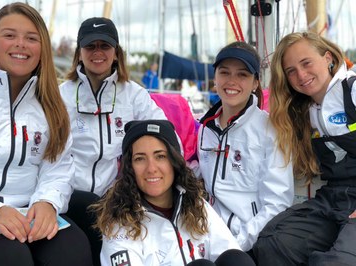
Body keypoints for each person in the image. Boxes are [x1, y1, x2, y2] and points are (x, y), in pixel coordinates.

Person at [0, 3, 91, 265]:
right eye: (9, 35)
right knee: (9, 259)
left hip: (28, 213)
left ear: (42, 50)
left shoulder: (51, 105)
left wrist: (47, 203)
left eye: (31, 38)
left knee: (72, 251)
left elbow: (59, 169)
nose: (21, 44)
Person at [59, 17, 166, 265]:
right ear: (80, 53)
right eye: (90, 46)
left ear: (116, 53)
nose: (98, 52)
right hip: (68, 197)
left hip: (116, 197)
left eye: (104, 46)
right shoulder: (61, 95)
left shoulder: (134, 94)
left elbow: (164, 133)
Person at [252, 31, 356, 266]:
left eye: (306, 63)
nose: (301, 74)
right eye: (291, 71)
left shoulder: (352, 91)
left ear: (328, 58)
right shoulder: (302, 112)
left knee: (339, 261)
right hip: (333, 199)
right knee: (273, 243)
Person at [91, 119, 256, 266]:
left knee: (236, 259)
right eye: (140, 158)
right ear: (129, 168)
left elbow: (227, 250)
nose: (151, 168)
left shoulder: (196, 205)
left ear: (174, 161)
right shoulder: (120, 224)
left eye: (160, 156)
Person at [197, 41, 294, 253]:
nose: (232, 81)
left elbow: (277, 203)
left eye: (242, 75)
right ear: (215, 78)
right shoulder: (205, 128)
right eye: (225, 72)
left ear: (255, 83)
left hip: (249, 241)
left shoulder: (271, 130)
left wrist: (237, 244)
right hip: (207, 234)